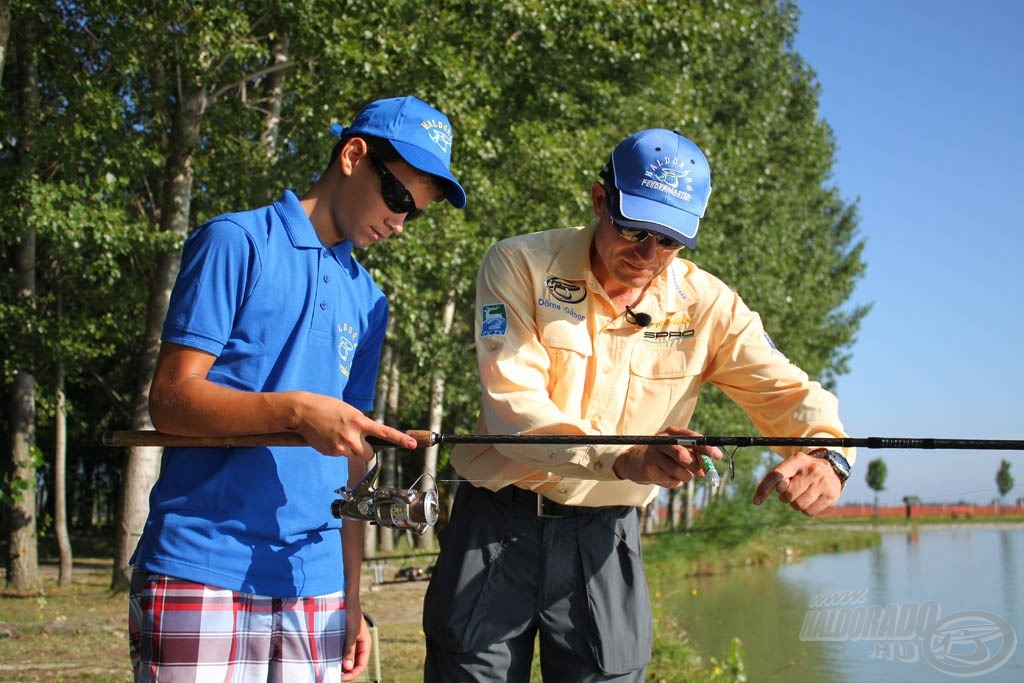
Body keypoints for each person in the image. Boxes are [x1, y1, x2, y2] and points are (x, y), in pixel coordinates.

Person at [422, 128, 854, 682]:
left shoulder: (708, 304)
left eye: (670, 241)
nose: (648, 255)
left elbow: (788, 391)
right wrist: (625, 457)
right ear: (601, 200)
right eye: (634, 229)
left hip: (607, 534)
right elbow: (514, 409)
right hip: (494, 522)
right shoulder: (519, 264)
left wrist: (829, 455)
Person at [128, 95, 466, 682]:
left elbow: (354, 466)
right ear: (353, 155)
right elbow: (170, 400)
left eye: (416, 212)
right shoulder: (236, 241)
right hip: (201, 566)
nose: (400, 221)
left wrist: (352, 597)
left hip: (317, 585)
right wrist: (293, 411)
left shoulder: (369, 302)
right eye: (397, 198)